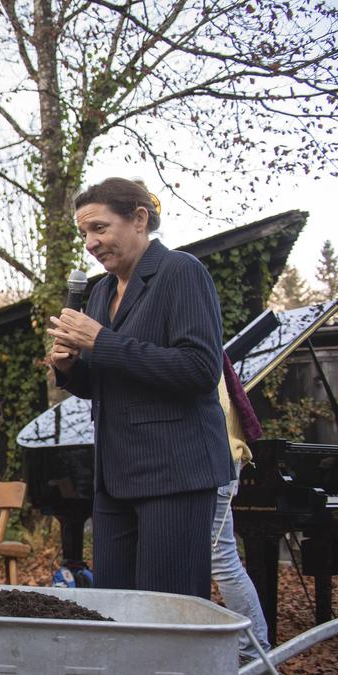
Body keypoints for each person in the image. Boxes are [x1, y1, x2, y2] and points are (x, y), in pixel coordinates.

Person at [47, 177, 232, 598]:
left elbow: (200, 368)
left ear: (139, 220)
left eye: (99, 228)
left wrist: (101, 341)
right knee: (116, 607)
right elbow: (108, 382)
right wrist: (72, 368)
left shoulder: (181, 272)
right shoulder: (100, 294)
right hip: (114, 475)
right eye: (83, 234)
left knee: (167, 610)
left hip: (175, 473)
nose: (90, 243)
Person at [214, 358, 271, 661]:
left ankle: (254, 649)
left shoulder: (203, 345)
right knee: (220, 559)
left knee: (222, 559)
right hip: (219, 461)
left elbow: (220, 410)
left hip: (219, 462)